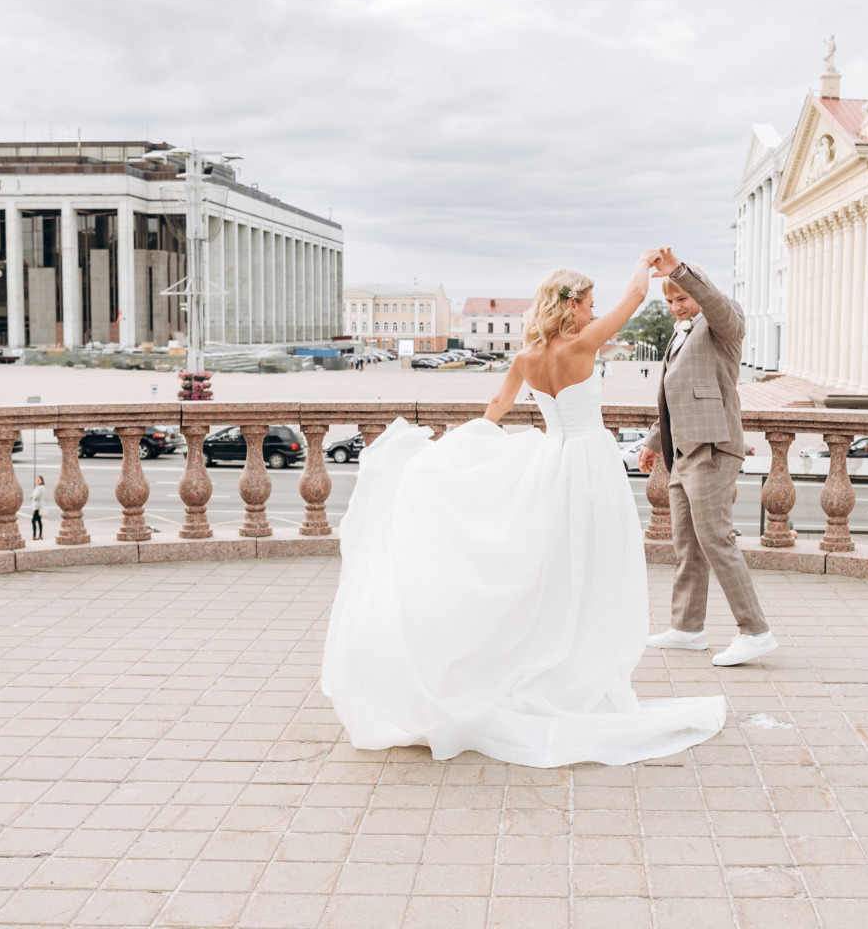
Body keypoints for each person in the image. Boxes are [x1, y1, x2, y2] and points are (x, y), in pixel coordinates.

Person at [322, 250, 725, 767]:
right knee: (594, 565)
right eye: (588, 302)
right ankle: (580, 663)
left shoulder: (525, 359)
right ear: (573, 304)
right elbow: (633, 297)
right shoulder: (584, 343)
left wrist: (447, 456)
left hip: (551, 463)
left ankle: (550, 655)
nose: (592, 309)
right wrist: (646, 265)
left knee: (552, 566)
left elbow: (494, 411)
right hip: (591, 463)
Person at [636, 250, 777, 667]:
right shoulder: (680, 334)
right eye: (670, 300)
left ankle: (755, 631)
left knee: (715, 538)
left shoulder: (723, 320)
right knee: (688, 544)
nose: (677, 305)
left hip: (713, 447)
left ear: (700, 292)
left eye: (682, 296)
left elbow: (712, 302)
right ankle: (687, 628)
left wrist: (681, 271)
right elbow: (676, 395)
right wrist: (653, 441)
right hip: (683, 451)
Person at [30, 475, 47, 539]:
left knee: (33, 520)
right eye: (36, 479)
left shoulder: (41, 487)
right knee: (39, 520)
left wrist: (32, 496)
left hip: (38, 507)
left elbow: (36, 496)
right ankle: (40, 535)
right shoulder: (39, 487)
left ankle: (34, 535)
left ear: (42, 481)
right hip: (38, 506)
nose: (37, 480)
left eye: (39, 479)